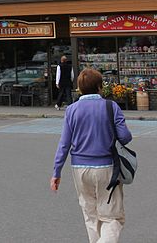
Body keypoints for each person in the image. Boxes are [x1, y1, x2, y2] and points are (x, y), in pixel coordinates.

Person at [51, 68, 132, 243]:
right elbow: (125, 137)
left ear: (80, 88)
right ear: (99, 86)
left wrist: (56, 172)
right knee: (112, 218)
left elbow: (64, 144)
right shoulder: (111, 107)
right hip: (107, 168)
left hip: (79, 169)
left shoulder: (71, 110)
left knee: (91, 216)